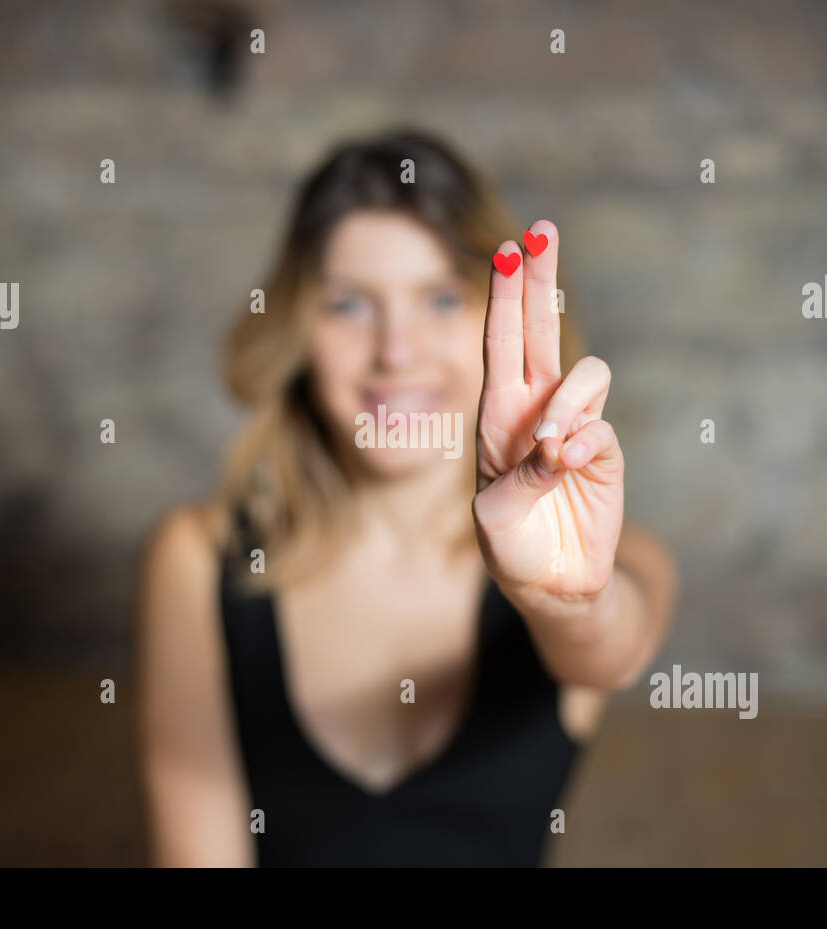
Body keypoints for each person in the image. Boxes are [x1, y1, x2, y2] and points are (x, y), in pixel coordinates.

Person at [135, 128, 677, 866]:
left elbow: (610, 648)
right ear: (299, 328)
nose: (396, 350)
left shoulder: (592, 556)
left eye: (442, 298)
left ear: (504, 318)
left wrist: (570, 600)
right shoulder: (198, 558)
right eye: (350, 305)